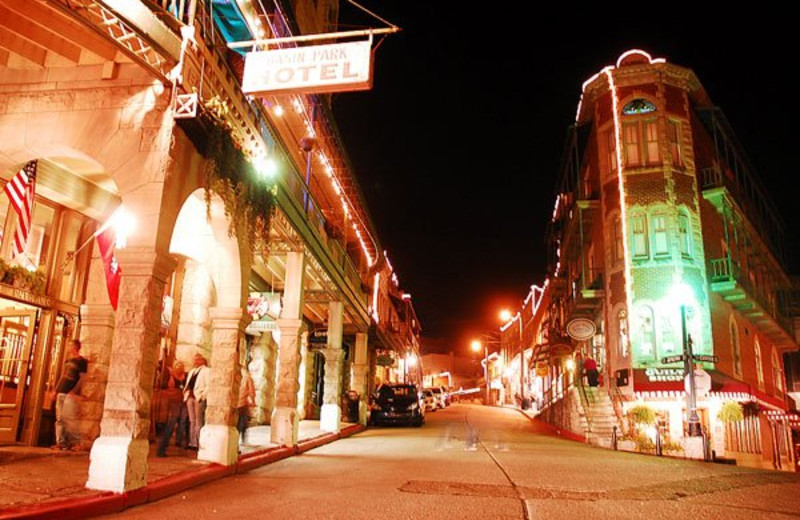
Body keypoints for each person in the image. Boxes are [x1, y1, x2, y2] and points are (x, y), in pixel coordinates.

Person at [52, 339, 88, 451]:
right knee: (60, 419)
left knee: (70, 419)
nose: (68, 347)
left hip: (70, 394)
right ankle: (61, 443)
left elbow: (83, 378)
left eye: (70, 345)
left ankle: (76, 443)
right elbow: (63, 376)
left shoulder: (81, 362)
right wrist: (56, 390)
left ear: (75, 347)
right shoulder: (68, 361)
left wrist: (76, 391)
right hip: (62, 392)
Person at [156, 360, 187, 457]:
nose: (179, 367)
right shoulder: (169, 374)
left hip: (180, 400)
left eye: (181, 365)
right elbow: (166, 386)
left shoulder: (184, 376)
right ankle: (161, 449)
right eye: (177, 365)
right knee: (169, 424)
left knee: (175, 423)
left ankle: (163, 449)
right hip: (171, 401)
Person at [184, 353, 209, 451]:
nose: (196, 361)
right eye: (195, 359)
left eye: (198, 359)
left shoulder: (206, 371)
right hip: (190, 397)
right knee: (192, 421)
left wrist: (202, 396)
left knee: (199, 421)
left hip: (198, 397)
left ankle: (199, 443)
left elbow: (208, 385)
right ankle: (192, 442)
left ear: (203, 360)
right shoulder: (192, 371)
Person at [237, 366, 255, 445]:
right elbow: (251, 390)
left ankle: (237, 439)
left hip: (236, 403)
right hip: (243, 402)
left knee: (238, 422)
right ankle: (242, 439)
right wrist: (253, 400)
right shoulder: (247, 377)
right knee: (243, 422)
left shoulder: (236, 375)